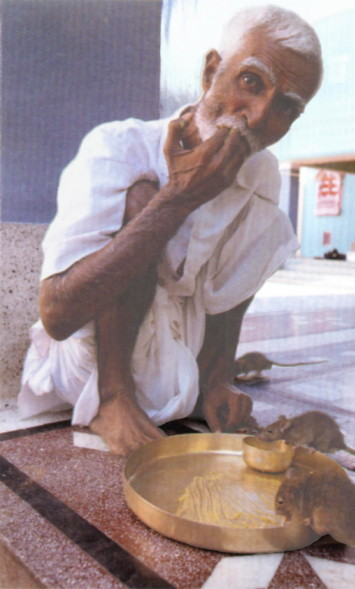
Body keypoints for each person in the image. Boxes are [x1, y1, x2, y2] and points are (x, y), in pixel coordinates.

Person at [18, 5, 323, 455]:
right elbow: (58, 316)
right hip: (86, 368)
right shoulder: (119, 145)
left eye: (284, 106)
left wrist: (218, 380)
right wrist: (179, 195)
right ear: (211, 71)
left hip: (181, 375)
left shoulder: (261, 174)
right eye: (251, 81)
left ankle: (184, 392)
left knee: (262, 222)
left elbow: (231, 294)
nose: (257, 116)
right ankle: (113, 400)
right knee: (144, 197)